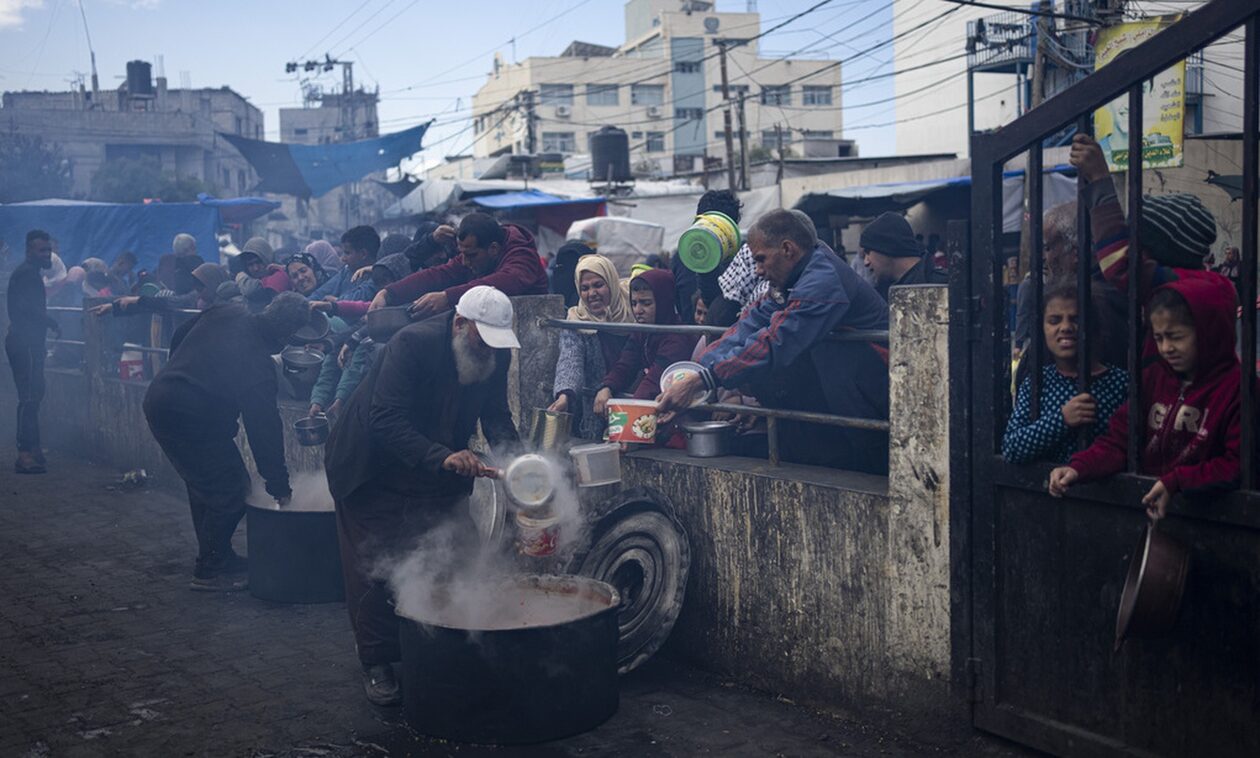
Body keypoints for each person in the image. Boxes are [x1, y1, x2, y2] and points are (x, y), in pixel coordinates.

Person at [325, 286, 521, 706]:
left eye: (495, 343)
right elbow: (385, 418)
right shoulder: (411, 343)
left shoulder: (496, 353)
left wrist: (522, 472)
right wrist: (443, 456)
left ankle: (453, 641)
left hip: (436, 461)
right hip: (370, 466)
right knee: (376, 563)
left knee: (460, 547)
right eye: (480, 339)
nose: (488, 349)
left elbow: (498, 417)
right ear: (459, 324)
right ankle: (376, 660)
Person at [657, 209, 891, 473]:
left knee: (874, 462)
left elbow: (777, 341)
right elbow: (751, 322)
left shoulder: (822, 281)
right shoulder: (794, 277)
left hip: (871, 392)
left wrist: (704, 379)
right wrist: (696, 372)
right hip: (843, 389)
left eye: (760, 259)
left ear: (788, 249)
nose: (757, 271)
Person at [143, 292, 310, 591]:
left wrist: (178, 372)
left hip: (162, 399)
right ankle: (209, 569)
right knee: (233, 491)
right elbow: (264, 431)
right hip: (189, 416)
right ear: (285, 334)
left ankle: (220, 556)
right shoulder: (257, 363)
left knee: (206, 487)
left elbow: (182, 332)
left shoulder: (228, 312)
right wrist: (278, 485)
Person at [1048, 277, 1244, 518]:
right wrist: (1078, 468)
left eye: (1177, 337)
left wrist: (1178, 482)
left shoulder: (1239, 389)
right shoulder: (1152, 379)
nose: (1166, 348)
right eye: (1159, 338)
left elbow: (1238, 464)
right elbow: (1120, 441)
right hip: (1149, 513)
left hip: (1212, 520)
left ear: (1208, 332)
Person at [1002, 283, 1128, 464]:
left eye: (1076, 319)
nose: (1066, 327)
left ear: (1092, 325)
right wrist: (1062, 420)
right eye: (1054, 320)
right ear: (1043, 329)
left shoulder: (1121, 384)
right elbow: (1011, 448)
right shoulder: (1038, 383)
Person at [369, 213, 548, 318]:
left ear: (493, 249)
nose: (465, 262)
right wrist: (389, 293)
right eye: (462, 254)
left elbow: (506, 281)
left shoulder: (522, 256)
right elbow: (440, 274)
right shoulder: (472, 254)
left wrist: (448, 297)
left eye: (471, 255)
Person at [593, 270, 696, 444]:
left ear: (663, 302)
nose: (638, 310)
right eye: (634, 303)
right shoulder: (642, 331)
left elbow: (654, 381)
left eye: (646, 303)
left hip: (677, 418)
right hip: (652, 410)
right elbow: (625, 364)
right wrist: (606, 387)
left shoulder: (678, 337)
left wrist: (629, 423)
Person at [549, 254, 633, 439]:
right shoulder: (577, 319)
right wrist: (565, 394)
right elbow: (570, 360)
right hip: (596, 405)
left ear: (611, 282)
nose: (592, 293)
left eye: (598, 285)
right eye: (584, 288)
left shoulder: (633, 309)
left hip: (634, 398)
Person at [6, 230, 59, 474]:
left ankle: (34, 448)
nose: (47, 254)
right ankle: (24, 454)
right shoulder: (26, 274)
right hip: (23, 343)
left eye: (48, 249)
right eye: (42, 250)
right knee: (28, 398)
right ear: (30, 251)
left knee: (36, 394)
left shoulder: (30, 274)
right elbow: (25, 308)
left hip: (30, 342)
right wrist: (50, 321)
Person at [859, 212, 947, 299]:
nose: (866, 262)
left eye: (868, 252)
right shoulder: (882, 294)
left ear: (886, 248)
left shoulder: (945, 286)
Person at [311, 226, 380, 301]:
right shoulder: (346, 272)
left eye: (347, 253)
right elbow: (321, 293)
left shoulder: (379, 275)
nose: (342, 259)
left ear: (363, 254)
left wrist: (336, 302)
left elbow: (359, 298)